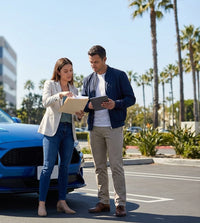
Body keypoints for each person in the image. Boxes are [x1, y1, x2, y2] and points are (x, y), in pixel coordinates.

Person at [81, 45, 136, 217]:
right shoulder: (88, 79)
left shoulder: (119, 75)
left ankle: (120, 204)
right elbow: (83, 102)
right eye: (91, 62)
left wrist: (115, 104)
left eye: (96, 62)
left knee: (116, 166)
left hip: (113, 127)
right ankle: (103, 202)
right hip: (94, 128)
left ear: (105, 59)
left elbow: (130, 98)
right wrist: (87, 105)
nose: (93, 65)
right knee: (99, 167)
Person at [37, 57, 85, 217]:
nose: (69, 73)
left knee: (64, 167)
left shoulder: (75, 89)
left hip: (68, 131)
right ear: (58, 71)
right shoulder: (50, 85)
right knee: (48, 167)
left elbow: (75, 115)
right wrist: (60, 94)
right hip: (52, 131)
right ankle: (42, 204)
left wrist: (79, 114)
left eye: (71, 70)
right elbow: (45, 102)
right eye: (66, 71)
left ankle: (62, 202)